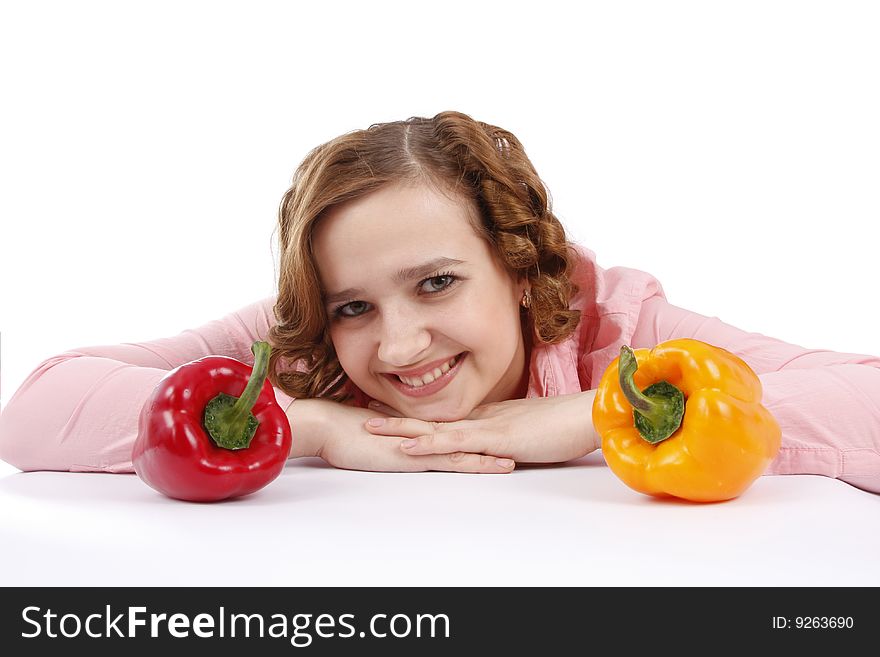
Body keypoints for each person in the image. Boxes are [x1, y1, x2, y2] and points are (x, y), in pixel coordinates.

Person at [0, 110, 878, 494]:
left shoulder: (624, 334)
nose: (397, 345)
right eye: (354, 305)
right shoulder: (301, 351)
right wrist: (306, 425)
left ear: (522, 264)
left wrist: (598, 414)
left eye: (436, 283)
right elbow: (36, 405)